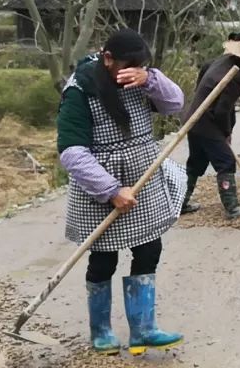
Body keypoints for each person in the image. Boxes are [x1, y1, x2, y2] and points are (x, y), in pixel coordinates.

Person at [55, 28, 188, 356]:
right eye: (126, 65)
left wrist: (150, 79)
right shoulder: (80, 89)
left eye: (139, 65)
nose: (131, 71)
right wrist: (110, 189)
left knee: (149, 249)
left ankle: (143, 330)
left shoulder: (141, 79)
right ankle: (100, 332)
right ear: (107, 58)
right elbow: (71, 151)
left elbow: (175, 105)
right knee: (103, 258)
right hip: (102, 183)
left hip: (143, 176)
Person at [181, 36, 240, 218]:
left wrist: (227, 129)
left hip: (194, 119)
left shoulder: (223, 61)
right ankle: (232, 208)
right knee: (225, 162)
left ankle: (181, 202)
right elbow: (222, 111)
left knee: (196, 163)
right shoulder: (235, 75)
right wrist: (225, 132)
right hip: (206, 122)